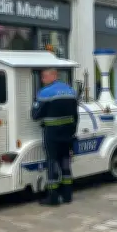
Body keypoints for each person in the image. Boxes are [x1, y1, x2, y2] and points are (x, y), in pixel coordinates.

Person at [31, 69, 79, 206]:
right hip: (68, 133)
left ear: (53, 76)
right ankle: (67, 195)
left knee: (52, 163)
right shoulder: (71, 91)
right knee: (65, 162)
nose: (42, 80)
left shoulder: (45, 92)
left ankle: (53, 198)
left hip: (52, 133)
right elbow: (76, 115)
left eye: (44, 76)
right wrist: (72, 131)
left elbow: (35, 115)